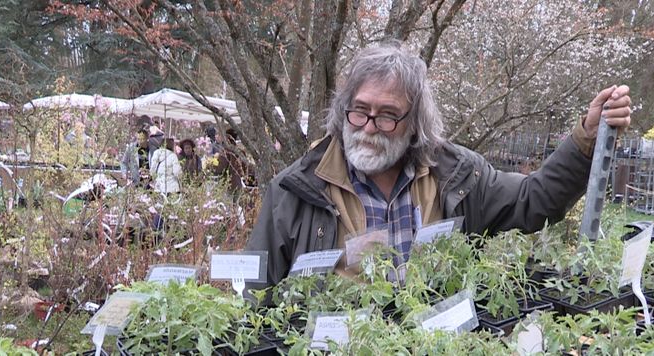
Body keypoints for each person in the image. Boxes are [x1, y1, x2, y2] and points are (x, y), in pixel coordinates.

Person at [246, 42, 632, 288]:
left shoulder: (456, 174)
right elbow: (256, 294)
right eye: (360, 111)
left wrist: (585, 136)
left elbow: (534, 201)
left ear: (414, 124)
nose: (368, 127)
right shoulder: (294, 190)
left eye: (387, 115)